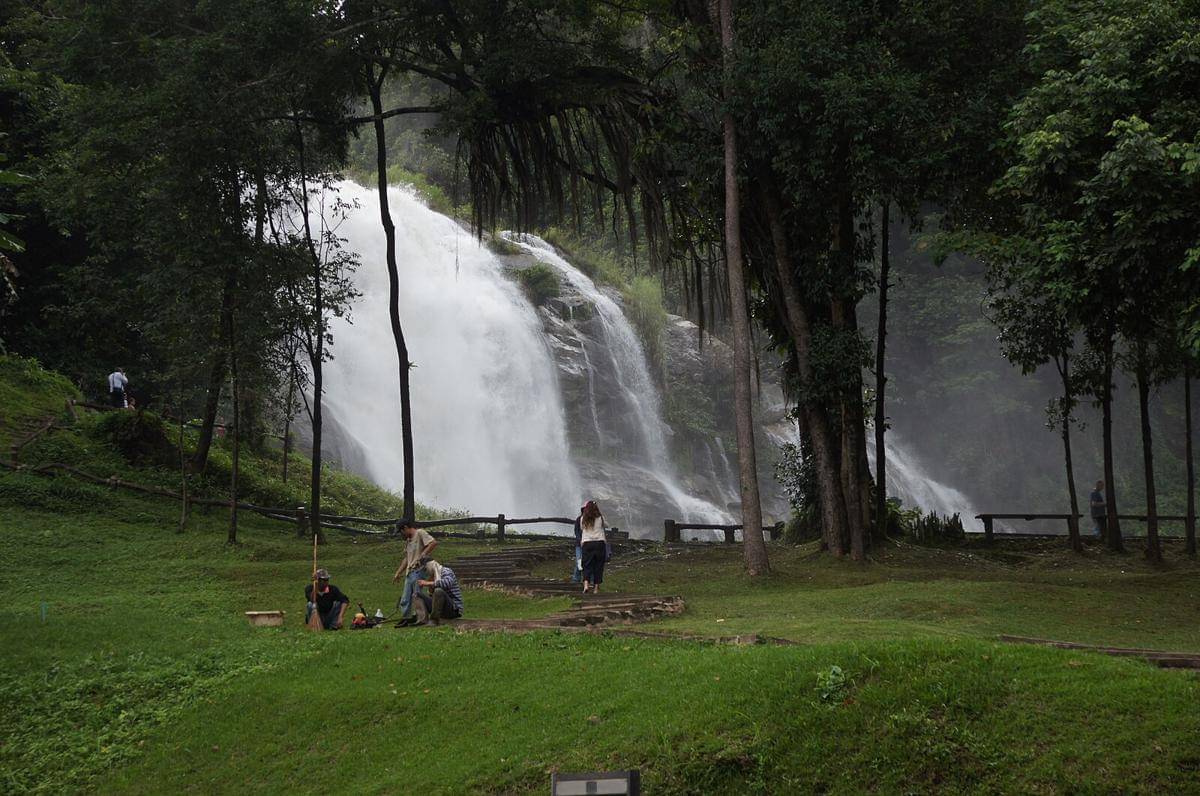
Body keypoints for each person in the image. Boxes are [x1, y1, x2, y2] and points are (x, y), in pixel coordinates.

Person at [393, 520, 438, 621]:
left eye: (401, 532)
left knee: (417, 596)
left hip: (419, 570)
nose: (402, 535)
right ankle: (406, 618)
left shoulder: (420, 533)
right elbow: (406, 558)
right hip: (409, 572)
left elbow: (433, 542)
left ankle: (420, 617)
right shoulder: (408, 541)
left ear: (405, 528)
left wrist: (423, 554)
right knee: (405, 598)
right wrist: (398, 572)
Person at [409, 560, 463, 625]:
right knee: (416, 595)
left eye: (425, 569)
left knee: (438, 591)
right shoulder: (433, 577)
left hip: (453, 609)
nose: (425, 572)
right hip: (441, 608)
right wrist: (430, 588)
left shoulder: (446, 571)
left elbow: (448, 583)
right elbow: (434, 598)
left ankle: (433, 620)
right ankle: (422, 619)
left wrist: (429, 583)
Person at [579, 500, 608, 594]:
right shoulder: (600, 518)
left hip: (587, 543)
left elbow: (581, 528)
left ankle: (586, 585)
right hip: (599, 543)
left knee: (586, 565)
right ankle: (596, 589)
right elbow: (607, 525)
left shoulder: (583, 518)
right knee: (598, 566)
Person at [570, 506, 584, 583]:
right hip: (579, 544)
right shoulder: (579, 519)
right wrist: (580, 539)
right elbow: (576, 531)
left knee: (589, 562)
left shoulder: (592, 520)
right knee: (579, 561)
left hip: (589, 544)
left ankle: (589, 580)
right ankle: (576, 579)